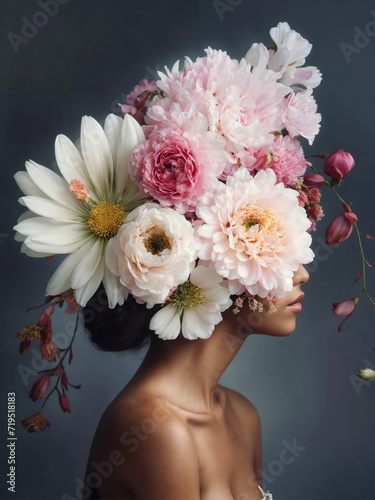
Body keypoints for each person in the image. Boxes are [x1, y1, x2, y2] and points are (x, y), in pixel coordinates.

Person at [83, 264, 309, 500]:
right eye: (276, 253)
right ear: (214, 267)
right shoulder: (154, 428)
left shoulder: (242, 415)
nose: (303, 274)